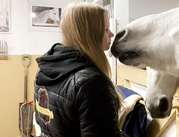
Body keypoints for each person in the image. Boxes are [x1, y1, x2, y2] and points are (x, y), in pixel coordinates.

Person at [34, 2, 127, 137]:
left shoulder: (43, 70)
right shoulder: (93, 84)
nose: (112, 34)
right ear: (90, 33)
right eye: (106, 29)